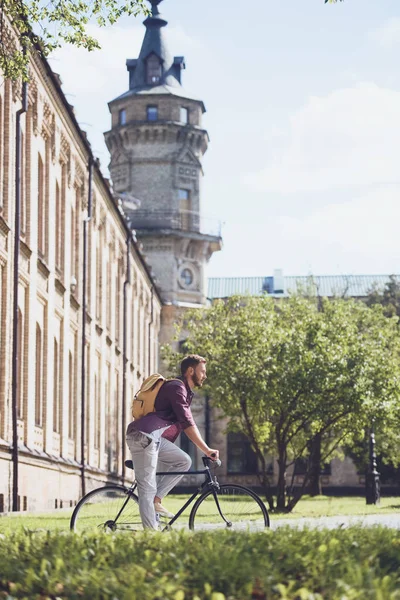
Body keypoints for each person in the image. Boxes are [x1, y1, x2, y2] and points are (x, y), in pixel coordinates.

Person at [126, 354, 219, 530]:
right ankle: (151, 535)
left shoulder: (183, 390)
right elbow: (187, 423)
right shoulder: (177, 387)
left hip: (154, 438)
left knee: (184, 461)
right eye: (202, 371)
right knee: (147, 486)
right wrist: (207, 450)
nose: (205, 376)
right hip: (143, 435)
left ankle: (156, 499)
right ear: (191, 371)